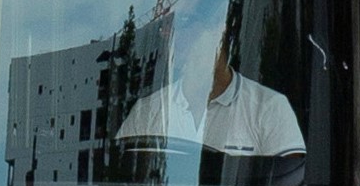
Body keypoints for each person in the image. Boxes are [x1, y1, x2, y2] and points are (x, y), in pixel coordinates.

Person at [117, 22, 304, 161]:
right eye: (172, 29)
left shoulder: (269, 108)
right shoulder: (146, 112)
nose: (176, 38)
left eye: (187, 24)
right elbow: (119, 181)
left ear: (221, 32)